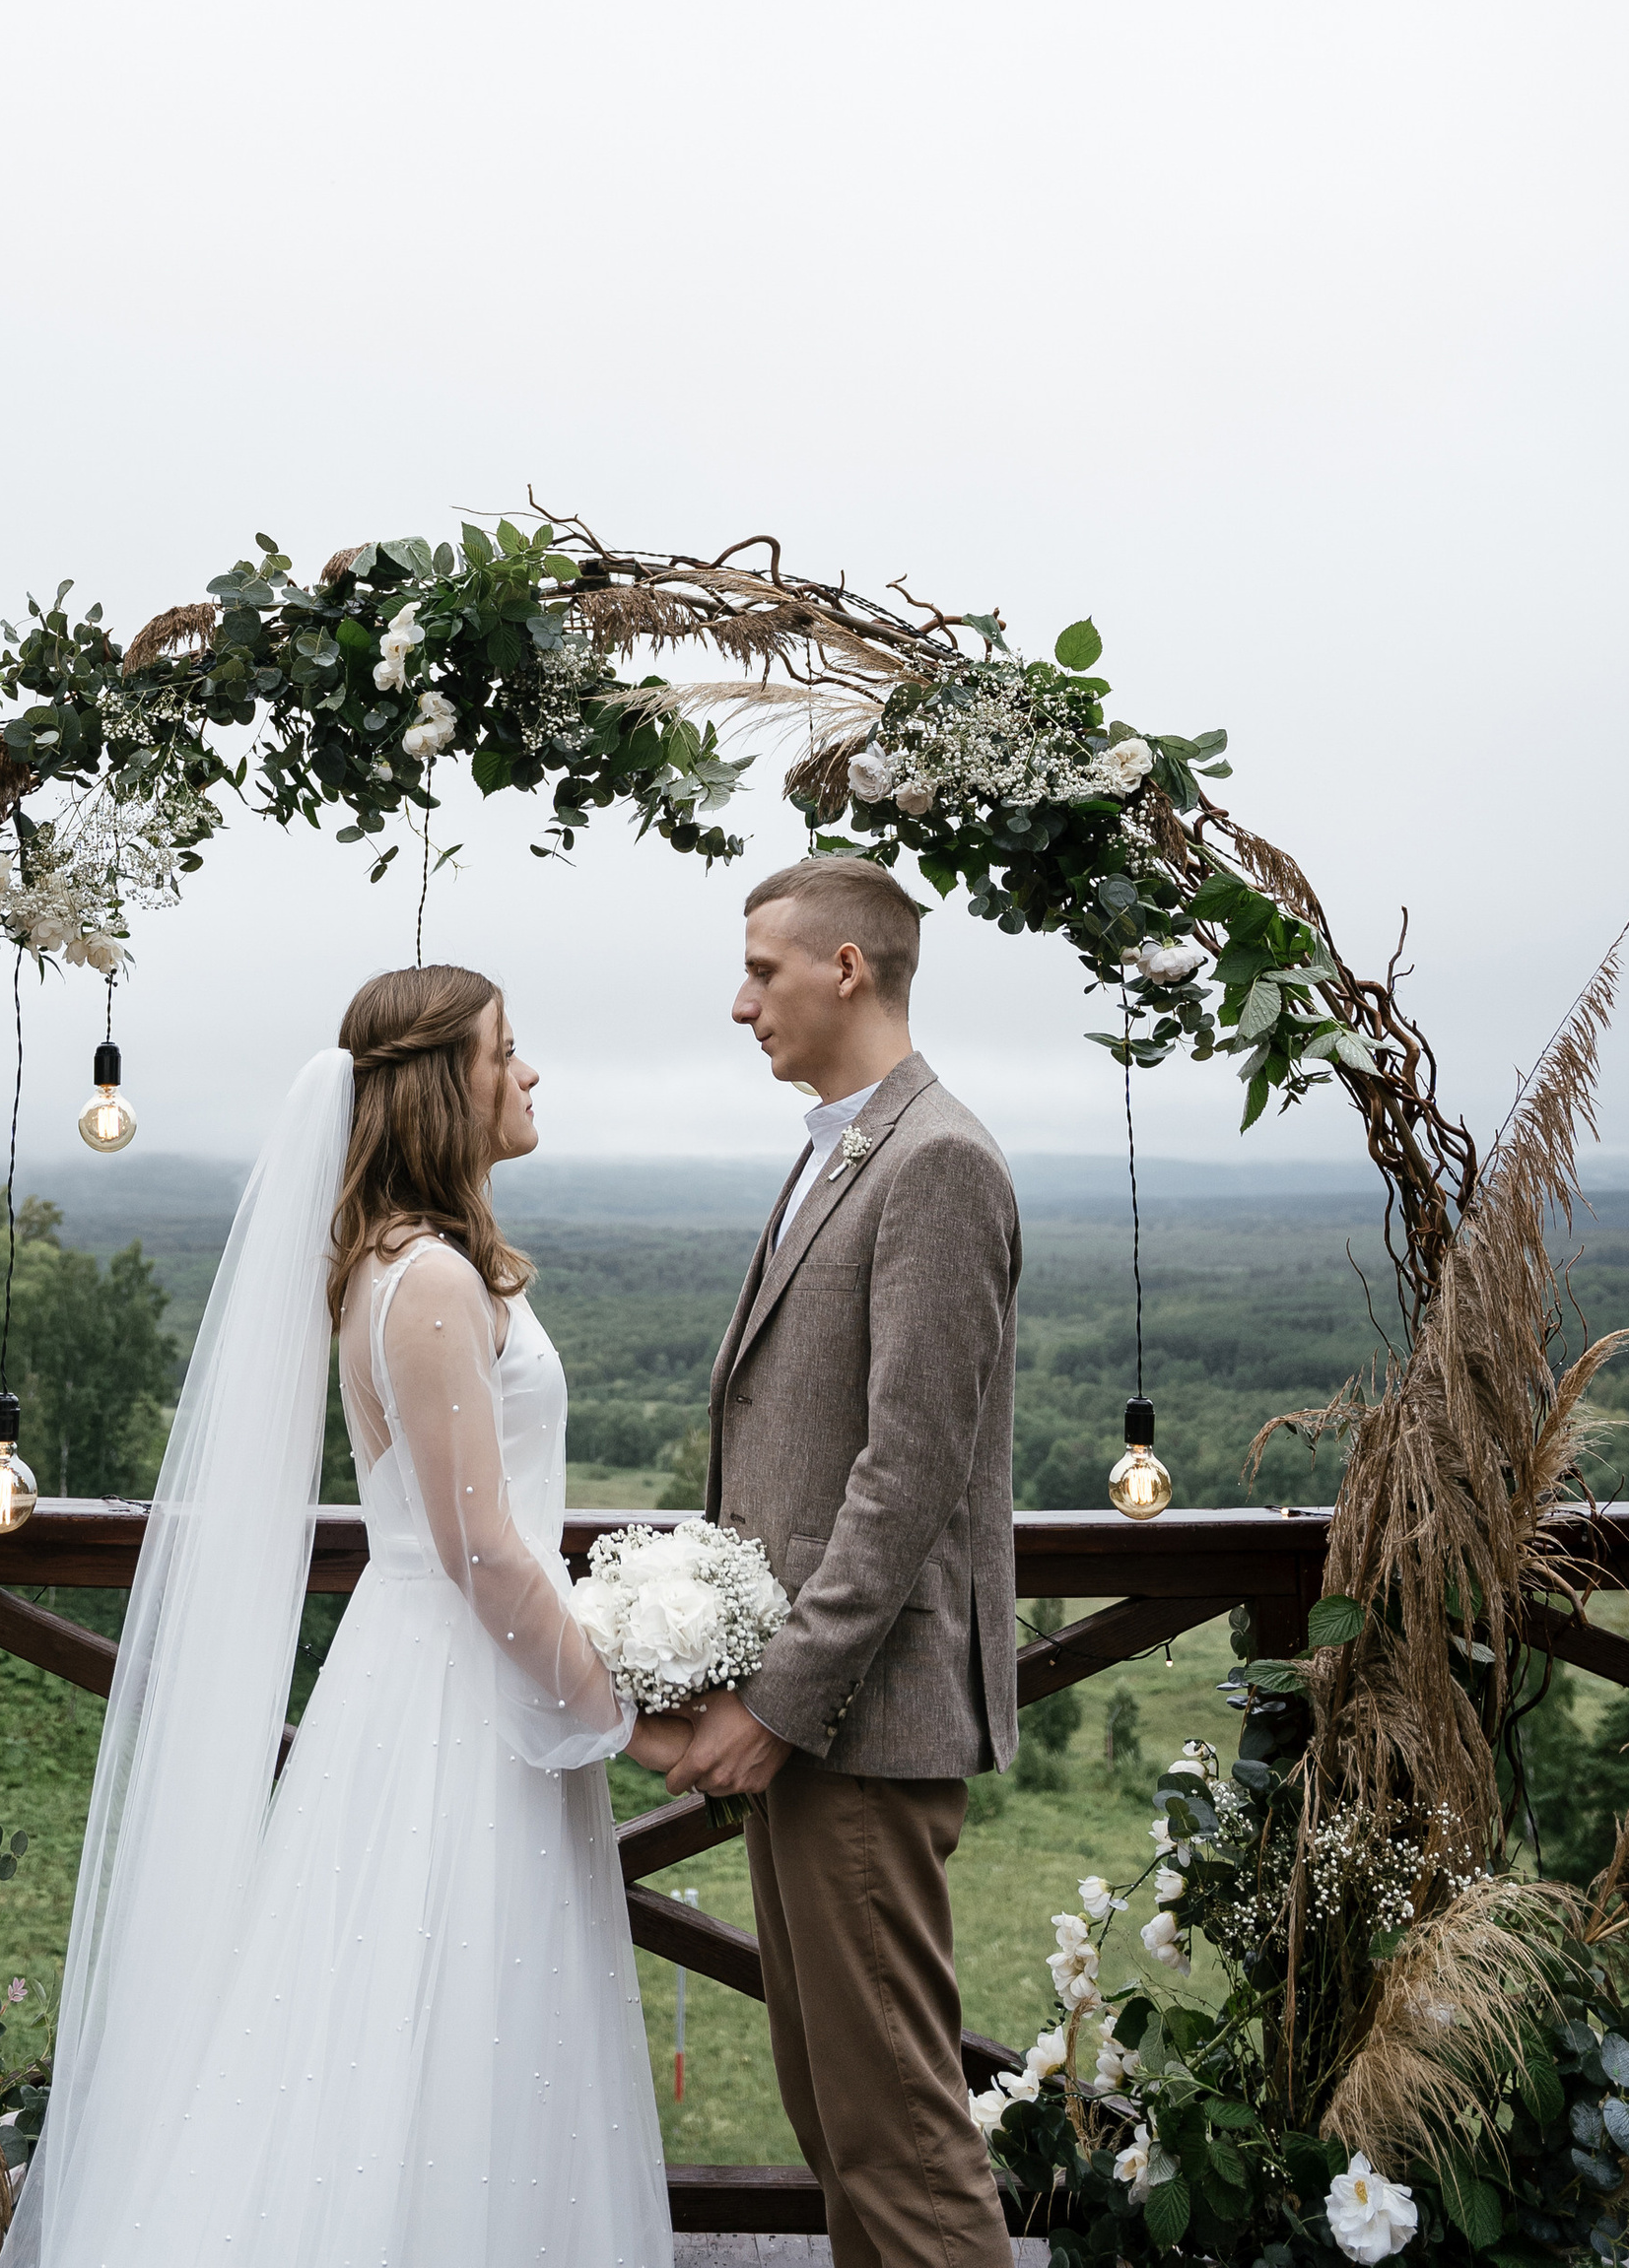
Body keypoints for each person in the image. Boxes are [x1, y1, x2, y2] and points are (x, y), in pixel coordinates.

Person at [3, 962, 692, 2268]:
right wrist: (623, 1718)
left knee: (449, 2026)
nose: (533, 1072)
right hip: (455, 1696)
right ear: (449, 1083)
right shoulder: (424, 1277)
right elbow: (482, 1552)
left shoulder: (417, 1263)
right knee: (437, 2023)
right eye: (510, 1050)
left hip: (455, 1677)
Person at [667, 856, 1022, 2268]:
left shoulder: (937, 1160)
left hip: (860, 1724)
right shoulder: (843, 1141)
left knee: (900, 2138)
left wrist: (775, 1702)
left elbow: (905, 1479)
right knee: (837, 2118)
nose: (740, 1000)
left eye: (762, 969)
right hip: (819, 1723)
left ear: (846, 969)